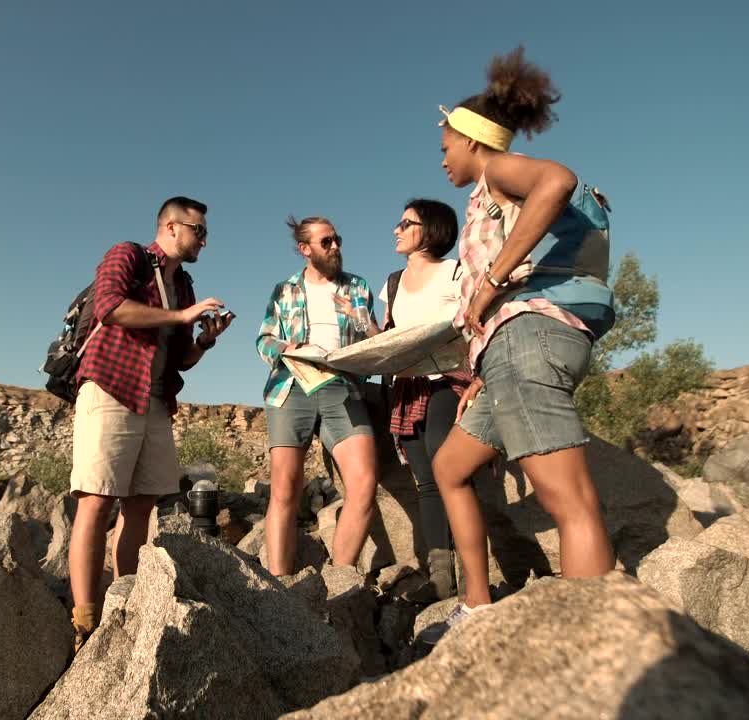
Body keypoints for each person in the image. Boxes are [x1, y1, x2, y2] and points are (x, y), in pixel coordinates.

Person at [426, 47, 616, 638]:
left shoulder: (499, 171)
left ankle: (596, 651)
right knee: (450, 466)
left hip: (529, 336)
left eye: (446, 147)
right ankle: (477, 606)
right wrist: (484, 368)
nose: (443, 160)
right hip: (512, 349)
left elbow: (557, 181)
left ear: (471, 139)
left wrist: (489, 283)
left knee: (570, 502)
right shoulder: (490, 193)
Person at [68, 196, 232, 650]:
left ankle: (125, 604)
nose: (204, 241)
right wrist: (180, 315)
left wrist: (204, 341)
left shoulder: (184, 285)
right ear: (172, 227)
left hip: (156, 399)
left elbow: (180, 357)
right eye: (199, 231)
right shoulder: (128, 255)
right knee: (96, 501)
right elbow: (110, 307)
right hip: (111, 387)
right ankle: (84, 621)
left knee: (141, 504)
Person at [255, 215, 379, 576]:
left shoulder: (358, 287)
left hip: (343, 387)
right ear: (304, 249)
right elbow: (264, 340)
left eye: (337, 239)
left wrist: (360, 319)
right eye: (326, 242)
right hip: (291, 385)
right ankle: (279, 587)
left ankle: (339, 582)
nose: (335, 246)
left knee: (364, 485)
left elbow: (375, 341)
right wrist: (289, 348)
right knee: (284, 491)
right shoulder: (284, 290)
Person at [376, 198, 471, 600]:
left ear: (430, 229)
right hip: (408, 386)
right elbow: (388, 336)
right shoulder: (392, 283)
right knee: (427, 482)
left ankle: (472, 574)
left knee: (445, 463)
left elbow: (473, 323)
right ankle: (442, 579)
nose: (396, 230)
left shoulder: (455, 272)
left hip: (449, 378)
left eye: (405, 223)